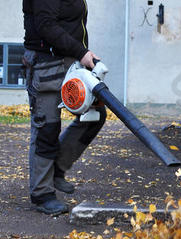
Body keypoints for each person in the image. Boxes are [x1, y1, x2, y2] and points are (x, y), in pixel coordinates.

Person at [22, 0, 106, 215]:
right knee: (46, 128)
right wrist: (81, 51)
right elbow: (46, 24)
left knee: (95, 114)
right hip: (45, 64)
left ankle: (57, 167)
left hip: (70, 62)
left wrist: (81, 53)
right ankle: (42, 194)